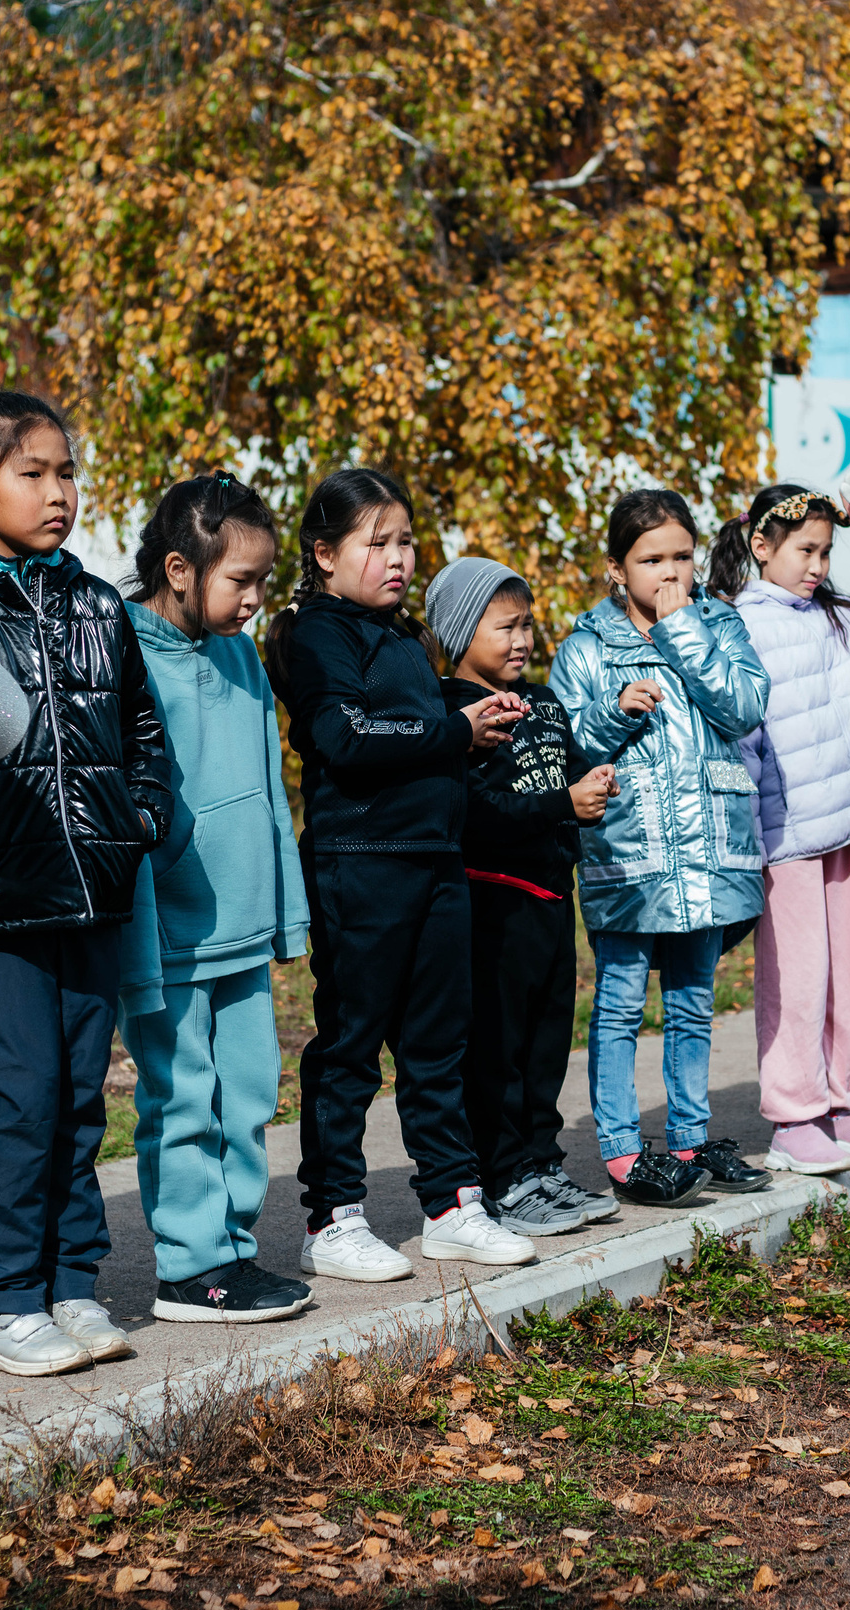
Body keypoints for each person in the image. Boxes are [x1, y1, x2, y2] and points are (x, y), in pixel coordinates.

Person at [0, 392, 173, 1377]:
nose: (59, 492)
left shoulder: (98, 601)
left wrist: (138, 817)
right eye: (35, 473)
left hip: (95, 886)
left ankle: (68, 1281)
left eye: (67, 472)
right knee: (18, 1095)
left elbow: (143, 731)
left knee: (78, 1096)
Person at [265, 469, 533, 1279]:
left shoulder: (408, 639)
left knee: (437, 1042)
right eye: (375, 542)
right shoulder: (315, 633)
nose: (397, 558)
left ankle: (452, 1202)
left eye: (406, 540)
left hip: (435, 861)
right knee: (351, 1045)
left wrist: (474, 727)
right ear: (323, 553)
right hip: (360, 866)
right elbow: (346, 734)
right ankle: (332, 1216)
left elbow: (417, 730)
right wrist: (450, 726)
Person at [118, 470, 314, 1324]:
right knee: (182, 1094)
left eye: (265, 581)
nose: (255, 601)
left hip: (242, 919)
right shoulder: (123, 647)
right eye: (241, 581)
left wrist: (286, 909)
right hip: (166, 927)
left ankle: (233, 1250)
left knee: (249, 1088)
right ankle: (190, 1266)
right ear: (179, 568)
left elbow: (271, 789)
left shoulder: (240, 653)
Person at [551, 490, 772, 1204]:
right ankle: (620, 1150)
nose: (669, 571)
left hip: (705, 856)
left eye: (682, 555)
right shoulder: (585, 648)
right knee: (618, 1004)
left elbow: (742, 706)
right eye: (651, 560)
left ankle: (689, 1139)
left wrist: (683, 629)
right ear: (617, 568)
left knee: (691, 1001)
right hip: (629, 858)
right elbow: (566, 747)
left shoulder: (716, 623)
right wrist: (612, 712)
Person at [717, 484, 850, 1175]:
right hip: (786, 837)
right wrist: (745, 843)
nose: (817, 564)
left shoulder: (838, 617)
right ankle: (793, 1119)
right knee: (799, 979)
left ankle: (842, 1106)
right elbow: (743, 738)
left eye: (825, 550)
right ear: (761, 547)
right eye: (804, 550)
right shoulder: (741, 627)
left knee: (846, 974)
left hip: (845, 827)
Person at [425, 559, 629, 1235]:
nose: (521, 639)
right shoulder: (454, 713)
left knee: (546, 1045)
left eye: (527, 625)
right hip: (494, 903)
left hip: (549, 898)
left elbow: (564, 772)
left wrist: (590, 787)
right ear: (460, 634)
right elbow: (478, 813)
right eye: (504, 626)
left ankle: (541, 1163)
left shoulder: (543, 701)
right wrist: (559, 804)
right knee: (498, 1050)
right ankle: (505, 1175)